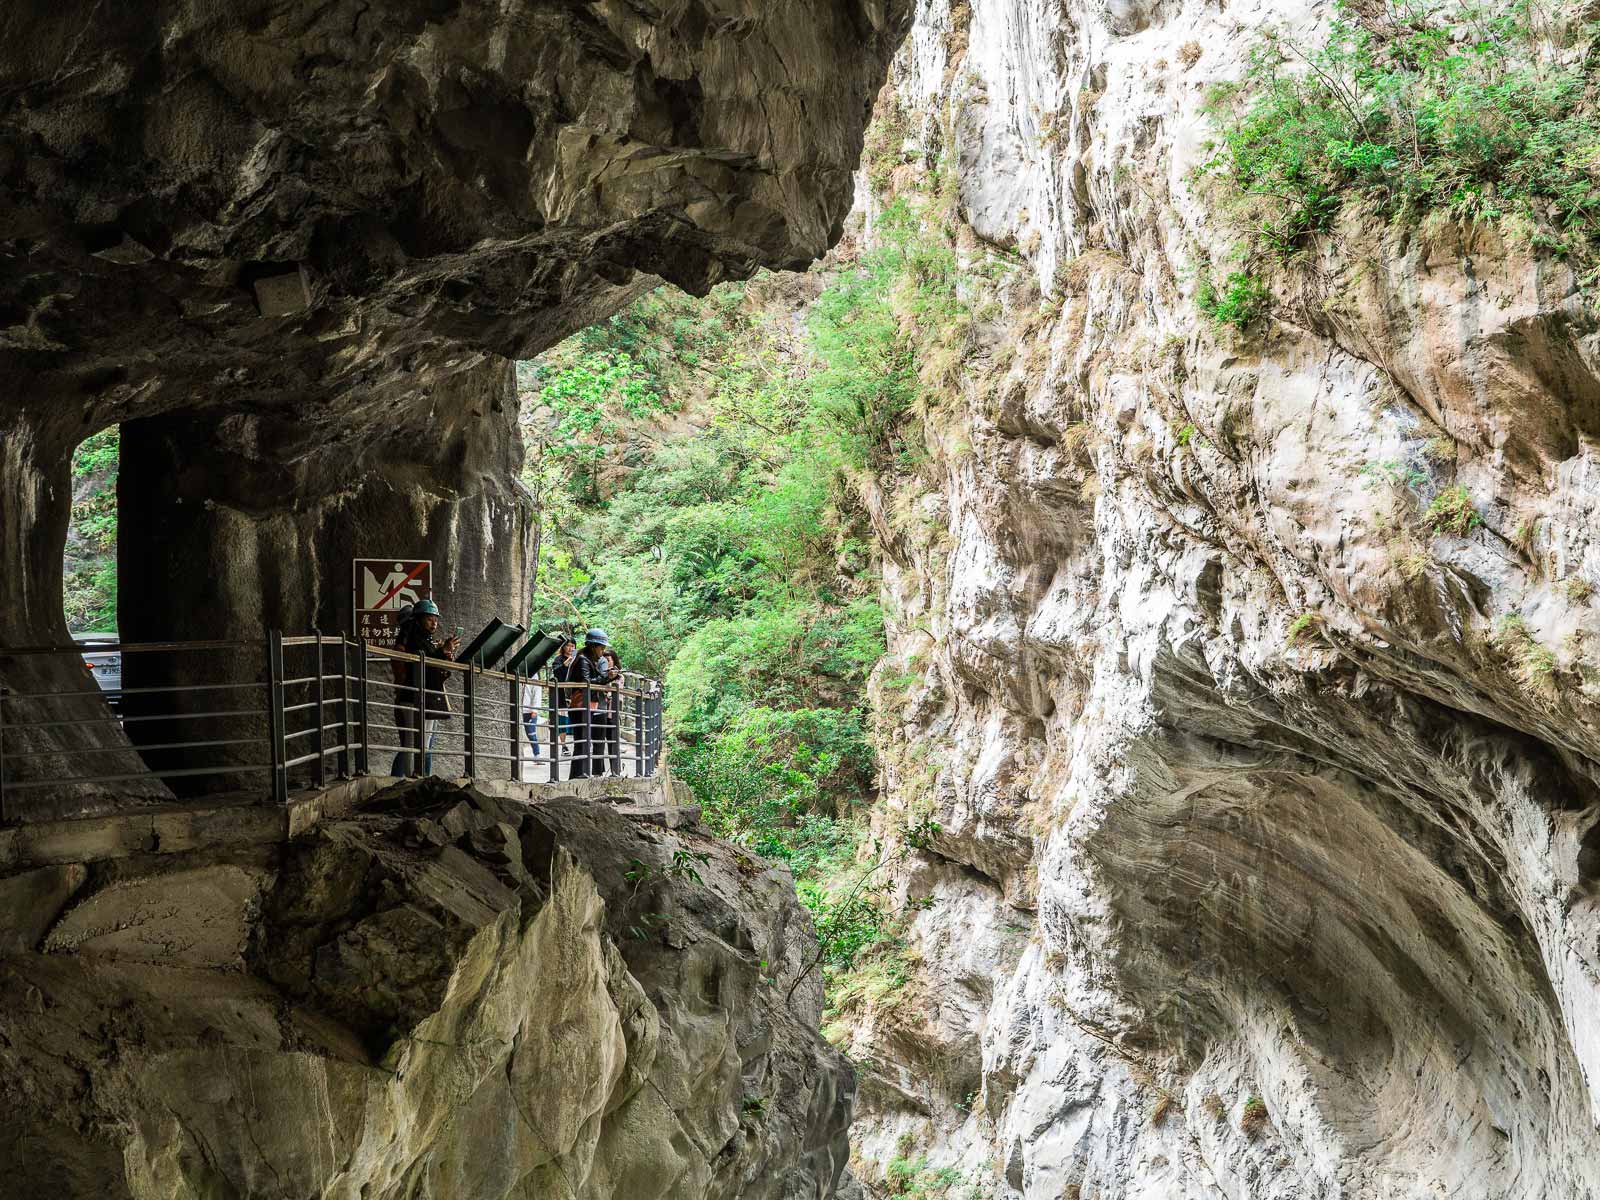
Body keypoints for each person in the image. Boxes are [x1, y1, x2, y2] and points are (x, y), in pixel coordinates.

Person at [390, 599, 460, 776]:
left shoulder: (425, 641)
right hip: (415, 697)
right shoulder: (414, 642)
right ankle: (403, 781)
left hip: (426, 696)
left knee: (419, 744)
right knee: (414, 744)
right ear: (418, 619)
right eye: (429, 619)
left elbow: (431, 664)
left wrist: (444, 655)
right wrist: (441, 652)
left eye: (435, 619)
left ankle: (412, 779)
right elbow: (420, 665)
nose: (434, 623)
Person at [566, 628, 613, 780]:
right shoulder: (582, 660)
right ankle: (578, 776)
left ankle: (582, 775)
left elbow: (595, 679)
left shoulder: (589, 660)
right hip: (581, 706)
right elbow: (585, 682)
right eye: (601, 647)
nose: (603, 651)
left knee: (585, 743)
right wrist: (606, 677)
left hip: (589, 706)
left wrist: (609, 676)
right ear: (593, 646)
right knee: (581, 743)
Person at [551, 638, 578, 757]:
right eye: (568, 646)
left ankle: (579, 745)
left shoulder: (578, 660)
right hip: (562, 695)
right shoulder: (558, 659)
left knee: (576, 719)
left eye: (573, 646)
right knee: (562, 720)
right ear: (563, 647)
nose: (570, 648)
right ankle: (564, 745)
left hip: (575, 694)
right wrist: (564, 664)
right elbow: (556, 673)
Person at [601, 647, 624, 776]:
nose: (606, 662)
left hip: (612, 714)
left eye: (608, 660)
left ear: (614, 661)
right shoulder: (600, 673)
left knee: (612, 742)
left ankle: (615, 771)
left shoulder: (619, 676)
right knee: (598, 742)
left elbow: (617, 694)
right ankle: (599, 771)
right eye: (604, 659)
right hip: (601, 711)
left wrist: (607, 693)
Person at [520, 674, 542, 764]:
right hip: (521, 708)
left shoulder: (534, 676)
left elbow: (537, 693)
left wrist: (535, 710)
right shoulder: (520, 672)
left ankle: (537, 755)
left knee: (531, 733)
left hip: (529, 710)